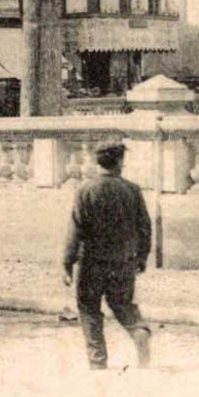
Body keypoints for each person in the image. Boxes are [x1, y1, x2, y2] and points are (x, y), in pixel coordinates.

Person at [62, 138, 153, 369]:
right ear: (120, 162)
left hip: (91, 262)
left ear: (97, 162)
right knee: (123, 304)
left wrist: (66, 263)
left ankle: (98, 362)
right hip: (123, 261)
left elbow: (76, 229)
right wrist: (141, 258)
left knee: (89, 308)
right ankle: (138, 330)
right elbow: (145, 227)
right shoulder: (132, 190)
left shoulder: (85, 189)